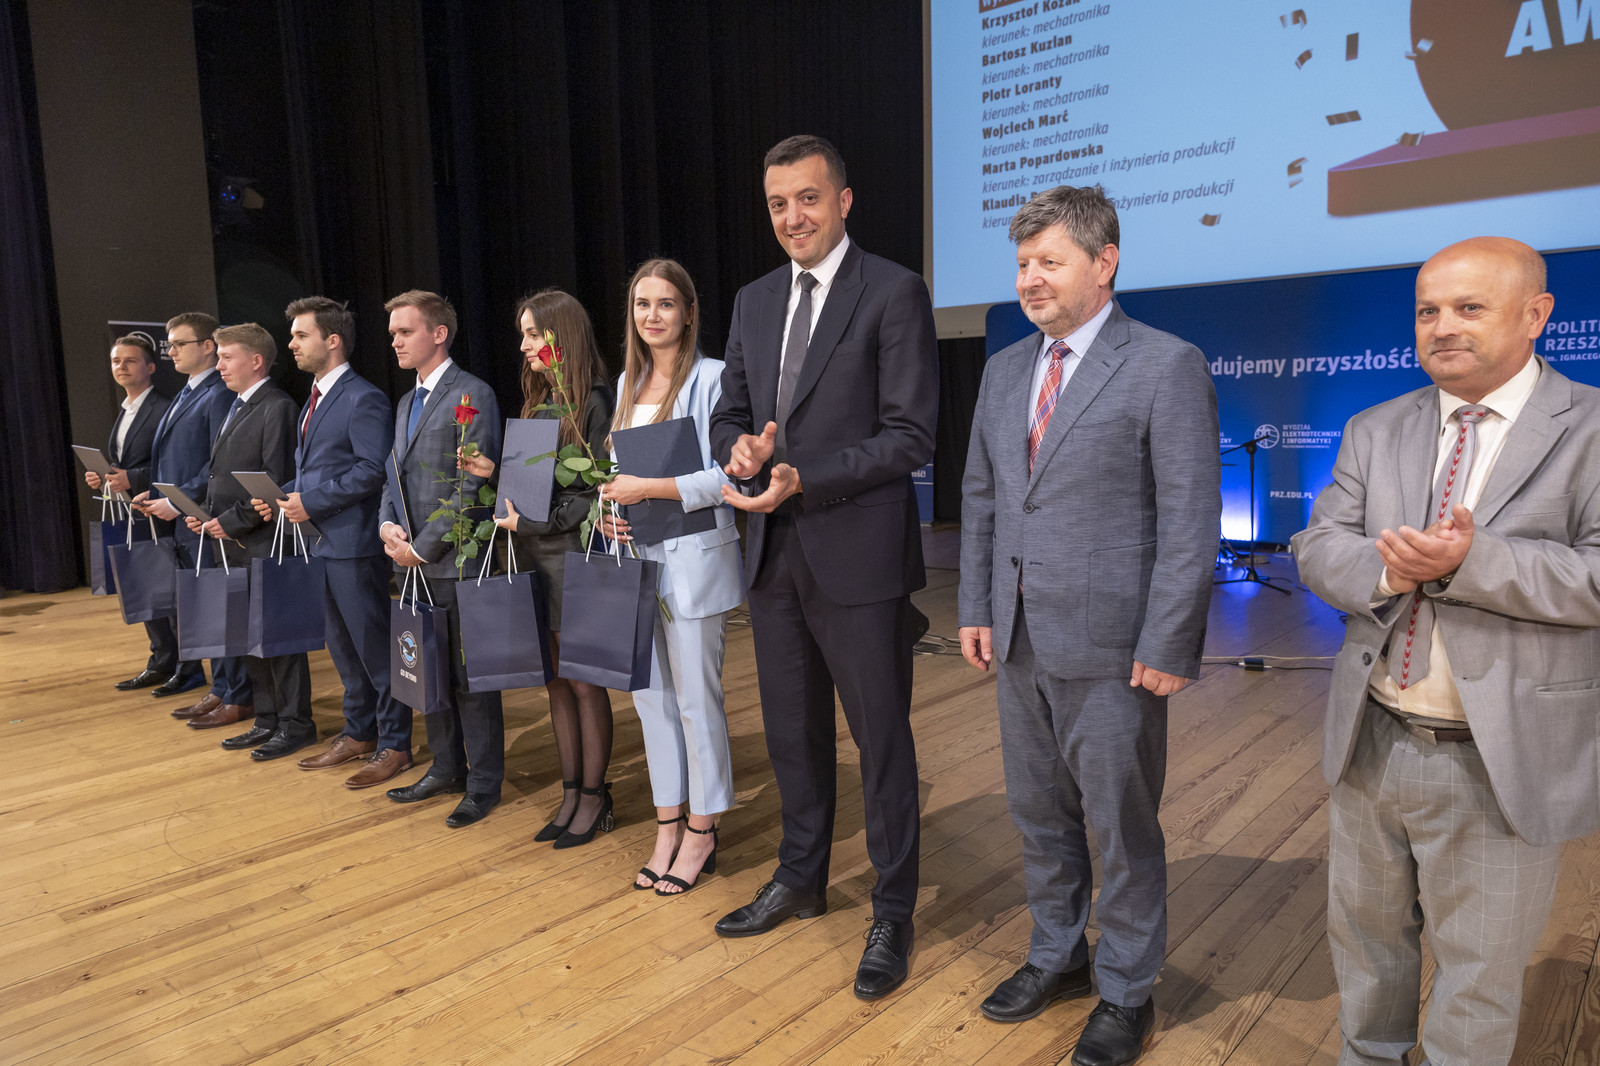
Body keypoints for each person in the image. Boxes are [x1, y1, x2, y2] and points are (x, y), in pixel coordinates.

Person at [1291, 236, 1600, 1066]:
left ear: (1536, 315)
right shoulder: (1374, 426)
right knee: (1366, 949)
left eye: (1469, 307)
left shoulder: (1592, 425)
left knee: (1480, 976)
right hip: (1371, 739)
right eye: (1428, 310)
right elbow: (1318, 544)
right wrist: (1390, 569)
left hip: (1503, 758)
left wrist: (1472, 562)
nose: (1442, 326)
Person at [957, 185, 1221, 1066]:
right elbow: (984, 499)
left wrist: (1170, 640)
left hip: (1116, 646)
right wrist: (975, 607)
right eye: (1022, 263)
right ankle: (1057, 953)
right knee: (1037, 813)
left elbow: (1190, 517)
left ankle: (1127, 989)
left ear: (1104, 263)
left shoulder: (1165, 364)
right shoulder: (1004, 370)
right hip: (1017, 635)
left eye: (1049, 261)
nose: (1029, 279)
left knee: (1120, 825)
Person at [708, 134, 938, 1001]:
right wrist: (737, 450)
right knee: (791, 734)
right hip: (772, 553)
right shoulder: (753, 299)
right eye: (778, 203)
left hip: (859, 554)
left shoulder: (894, 290)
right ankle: (800, 876)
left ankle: (893, 909)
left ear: (843, 201)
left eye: (808, 198)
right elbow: (729, 410)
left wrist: (805, 474)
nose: (792, 217)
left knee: (880, 742)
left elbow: (911, 434)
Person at [598, 259, 742, 895]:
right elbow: (613, 475)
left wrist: (648, 488)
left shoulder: (713, 379)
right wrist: (610, 509)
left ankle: (703, 830)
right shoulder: (626, 383)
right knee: (649, 700)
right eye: (641, 304)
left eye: (664, 304)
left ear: (688, 312)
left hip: (694, 561)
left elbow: (729, 478)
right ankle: (667, 826)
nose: (651, 315)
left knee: (695, 702)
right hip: (638, 560)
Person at [459, 289, 617, 847]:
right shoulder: (538, 402)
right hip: (533, 557)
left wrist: (531, 522)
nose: (524, 346)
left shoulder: (595, 401)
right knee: (554, 683)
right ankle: (571, 792)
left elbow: (595, 495)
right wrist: (495, 474)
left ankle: (596, 797)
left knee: (583, 684)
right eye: (522, 335)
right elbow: (535, 488)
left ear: (560, 335)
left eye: (532, 334)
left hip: (572, 559)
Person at [249, 297, 411, 788]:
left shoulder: (363, 398)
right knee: (342, 649)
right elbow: (318, 471)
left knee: (374, 651)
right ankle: (360, 731)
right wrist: (285, 497)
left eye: (301, 336)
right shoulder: (315, 397)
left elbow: (372, 470)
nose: (292, 345)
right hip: (320, 541)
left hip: (354, 543)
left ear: (332, 340)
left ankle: (395, 744)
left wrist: (312, 501)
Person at [378, 290, 505, 828]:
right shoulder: (406, 401)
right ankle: (446, 768)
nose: (395, 341)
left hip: (455, 562)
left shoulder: (473, 393)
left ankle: (483, 784)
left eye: (405, 331)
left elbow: (472, 489)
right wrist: (386, 525)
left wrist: (422, 546)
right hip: (412, 563)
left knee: (471, 681)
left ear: (438, 333)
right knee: (428, 672)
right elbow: (392, 475)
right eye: (393, 334)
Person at [182, 323, 311, 761]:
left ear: (256, 361)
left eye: (226, 357)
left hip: (265, 543)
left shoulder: (278, 407)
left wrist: (231, 521)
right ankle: (267, 718)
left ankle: (295, 725)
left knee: (279, 640)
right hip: (234, 543)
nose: (218, 365)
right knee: (250, 638)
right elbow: (221, 477)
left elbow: (275, 482)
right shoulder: (236, 405)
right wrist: (204, 513)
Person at [130, 311, 245, 714]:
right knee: (202, 607)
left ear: (208, 346)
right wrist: (152, 494)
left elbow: (217, 464)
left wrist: (176, 502)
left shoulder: (220, 392)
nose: (171, 351)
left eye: (180, 344)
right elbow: (172, 460)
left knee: (217, 607)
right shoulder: (187, 391)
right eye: (170, 345)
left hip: (203, 518)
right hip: (182, 520)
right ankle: (220, 688)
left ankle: (233, 692)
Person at [87, 334, 176, 691]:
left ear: (151, 367)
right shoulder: (125, 409)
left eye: (130, 360)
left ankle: (182, 667)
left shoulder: (164, 408)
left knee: (165, 591)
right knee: (145, 588)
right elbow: (124, 462)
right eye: (115, 361)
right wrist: (105, 476)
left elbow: (174, 464)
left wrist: (133, 477)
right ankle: (162, 661)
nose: (120, 366)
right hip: (133, 511)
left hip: (159, 511)